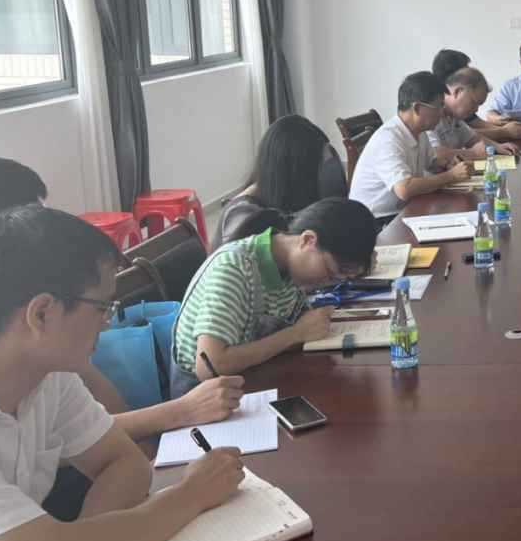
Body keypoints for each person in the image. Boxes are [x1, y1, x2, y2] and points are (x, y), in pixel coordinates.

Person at [0, 205, 245, 541]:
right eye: (101, 308)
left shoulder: (50, 376)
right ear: (41, 313)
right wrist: (190, 495)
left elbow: (126, 462)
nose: (107, 323)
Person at [170, 198, 378, 397]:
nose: (328, 283)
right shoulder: (234, 269)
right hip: (204, 402)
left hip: (254, 380)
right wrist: (295, 334)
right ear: (307, 240)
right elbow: (210, 366)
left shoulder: (285, 266)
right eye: (331, 272)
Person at [349, 72, 475, 226]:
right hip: (376, 222)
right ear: (417, 108)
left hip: (402, 211)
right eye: (439, 107)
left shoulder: (419, 132)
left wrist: (447, 165)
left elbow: (431, 162)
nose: (442, 113)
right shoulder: (389, 140)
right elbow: (404, 189)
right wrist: (451, 175)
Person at [214, 115, 332, 249]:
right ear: (297, 171)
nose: (320, 176)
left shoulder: (280, 199)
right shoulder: (243, 217)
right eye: (318, 167)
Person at [431, 49, 521, 142]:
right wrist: (504, 132)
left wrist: (507, 129)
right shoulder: (434, 108)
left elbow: (477, 125)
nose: (469, 76)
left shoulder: (460, 105)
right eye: (465, 72)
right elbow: (468, 135)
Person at [429, 67, 521, 161]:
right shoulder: (431, 113)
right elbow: (433, 152)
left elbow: (472, 138)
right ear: (457, 92)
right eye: (474, 102)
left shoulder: (454, 117)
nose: (476, 110)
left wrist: (498, 147)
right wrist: (472, 153)